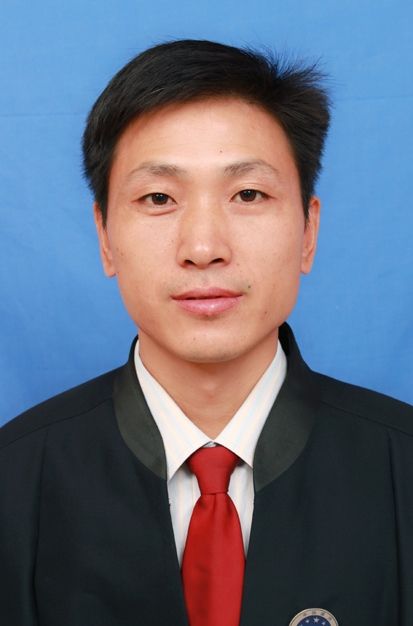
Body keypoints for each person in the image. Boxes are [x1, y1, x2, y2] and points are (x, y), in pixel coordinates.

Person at [0, 39, 412, 626]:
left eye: (248, 194)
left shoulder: (402, 467)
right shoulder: (14, 482)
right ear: (105, 237)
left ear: (308, 232)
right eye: (158, 197)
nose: (202, 247)